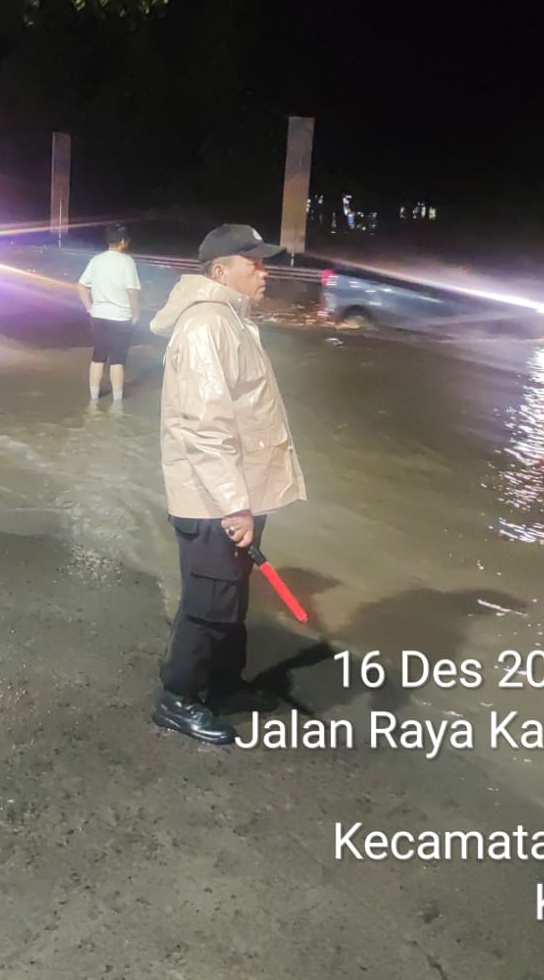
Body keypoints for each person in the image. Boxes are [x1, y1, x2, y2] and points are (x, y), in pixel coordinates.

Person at [147, 224, 308, 745]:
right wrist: (234, 505)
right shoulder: (205, 326)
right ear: (220, 272)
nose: (264, 271)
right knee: (209, 603)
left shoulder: (231, 320)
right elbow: (204, 426)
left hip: (235, 493)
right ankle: (178, 699)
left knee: (232, 597)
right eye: (253, 263)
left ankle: (223, 684)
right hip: (212, 500)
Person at [76, 224, 141, 401]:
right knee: (118, 360)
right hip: (121, 317)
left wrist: (89, 308)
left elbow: (81, 286)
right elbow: (132, 291)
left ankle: (93, 399)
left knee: (98, 356)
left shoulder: (96, 260)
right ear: (123, 241)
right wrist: (136, 312)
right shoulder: (127, 262)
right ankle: (117, 403)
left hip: (98, 316)